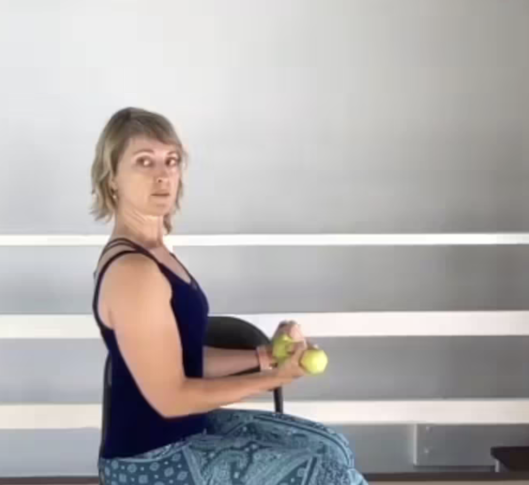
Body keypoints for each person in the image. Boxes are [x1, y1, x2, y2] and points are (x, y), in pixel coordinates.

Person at [90, 107, 367, 485]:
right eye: (144, 161)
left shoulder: (156, 252)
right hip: (148, 460)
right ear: (112, 178)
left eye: (171, 161)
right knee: (332, 477)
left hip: (190, 431)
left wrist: (265, 356)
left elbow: (180, 360)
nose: (163, 174)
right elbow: (170, 397)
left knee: (333, 449)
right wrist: (272, 378)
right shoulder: (133, 271)